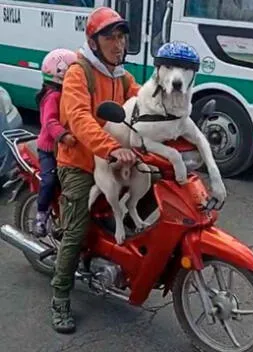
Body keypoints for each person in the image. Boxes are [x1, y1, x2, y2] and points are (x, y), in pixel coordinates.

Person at [50, 6, 140, 334]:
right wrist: (112, 147)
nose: (118, 44)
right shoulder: (80, 72)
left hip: (111, 160)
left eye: (121, 36)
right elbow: (79, 118)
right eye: (109, 37)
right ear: (94, 41)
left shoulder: (122, 75)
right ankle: (60, 298)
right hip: (80, 162)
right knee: (75, 231)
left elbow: (144, 104)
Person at [33, 49, 79, 238]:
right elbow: (50, 122)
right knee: (50, 180)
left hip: (64, 150)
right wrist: (64, 135)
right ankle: (41, 215)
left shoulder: (68, 93)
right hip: (49, 150)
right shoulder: (52, 96)